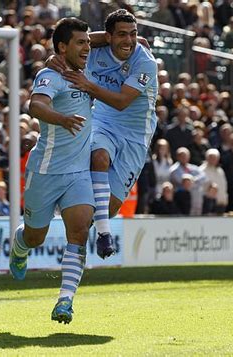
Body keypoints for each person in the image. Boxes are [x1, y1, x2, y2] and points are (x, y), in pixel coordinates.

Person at [51, 9, 158, 258]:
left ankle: (88, 223)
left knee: (108, 207)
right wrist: (52, 60)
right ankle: (103, 234)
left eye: (133, 34)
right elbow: (68, 47)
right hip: (103, 120)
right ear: (107, 37)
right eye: (121, 34)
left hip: (136, 135)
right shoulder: (93, 52)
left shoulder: (145, 62)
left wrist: (88, 85)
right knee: (99, 155)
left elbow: (122, 101)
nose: (129, 41)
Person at [9, 18, 93, 325]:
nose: (87, 46)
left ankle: (65, 300)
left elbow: (108, 38)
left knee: (81, 229)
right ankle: (19, 246)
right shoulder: (50, 74)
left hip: (78, 172)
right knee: (35, 237)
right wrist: (61, 119)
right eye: (80, 42)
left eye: (88, 41)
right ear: (62, 47)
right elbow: (36, 106)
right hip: (45, 170)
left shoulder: (88, 70)